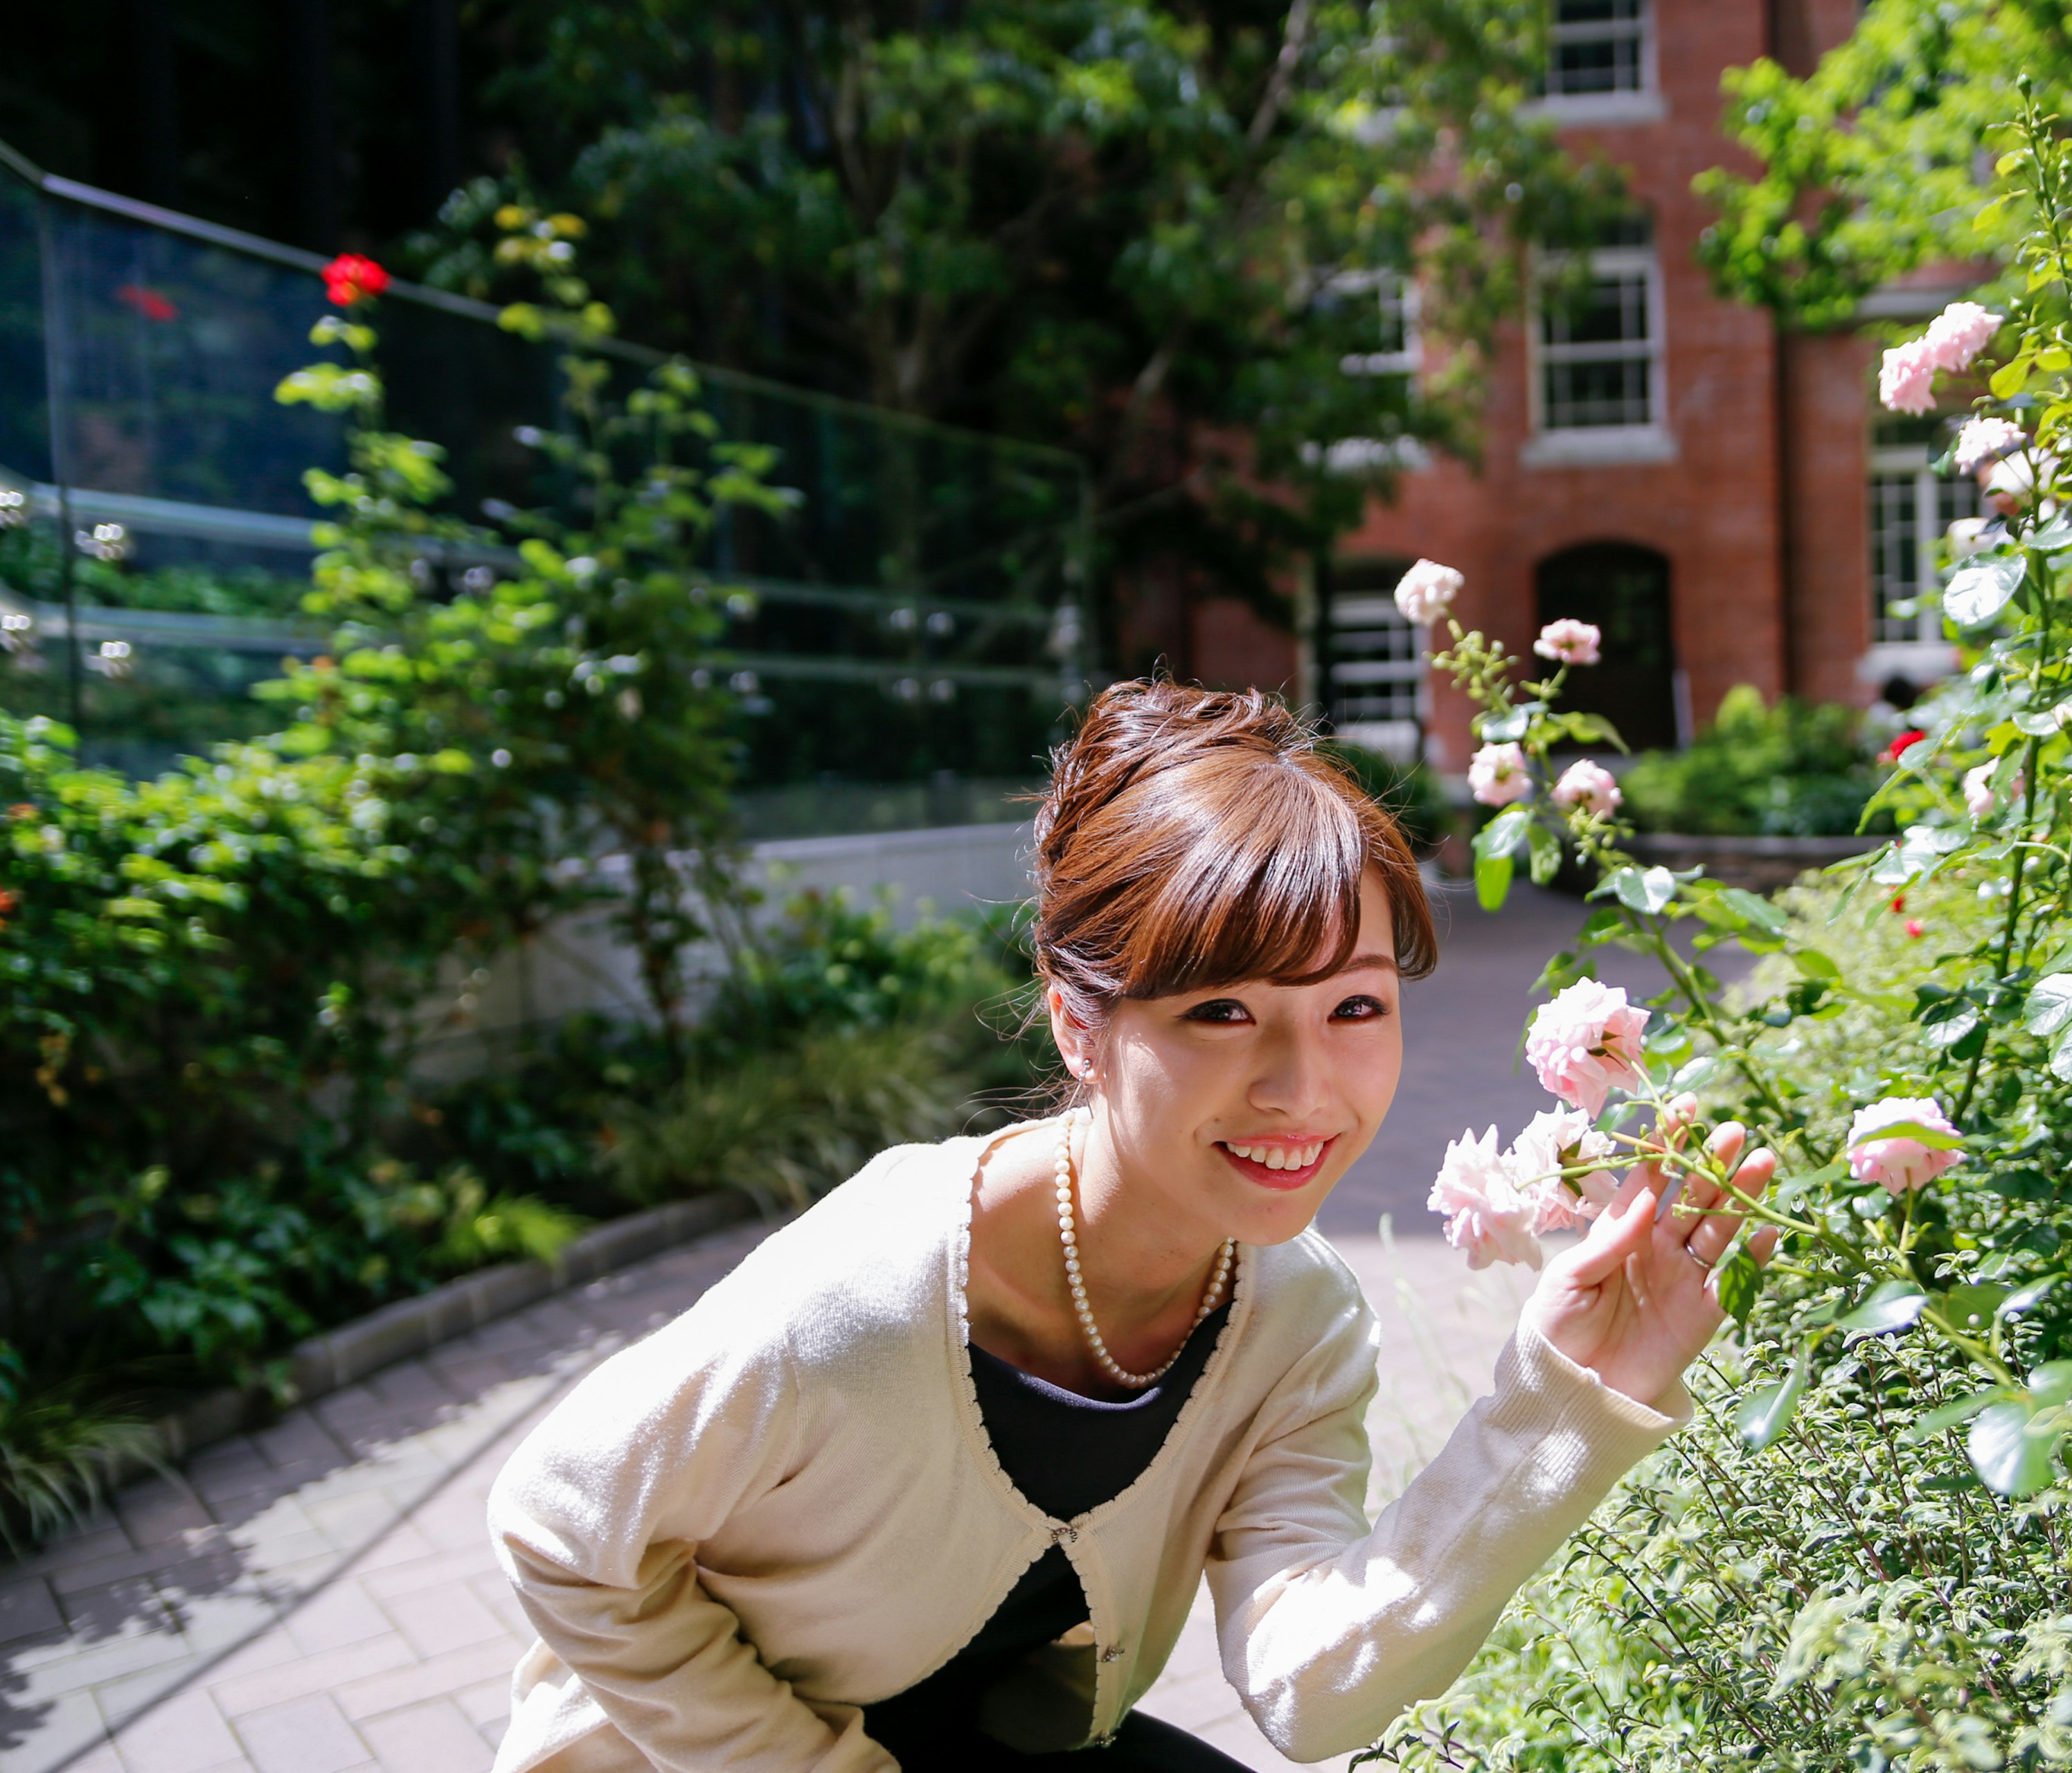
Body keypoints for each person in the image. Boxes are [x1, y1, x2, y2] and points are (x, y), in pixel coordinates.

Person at [485, 681, 1774, 1772]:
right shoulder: (870, 1293)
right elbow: (559, 1527)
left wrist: (1562, 1411)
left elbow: (1309, 1691)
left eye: (1356, 1009)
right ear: (1077, 1022)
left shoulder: (1296, 1320)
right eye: (1221, 1012)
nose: (1303, 1090)